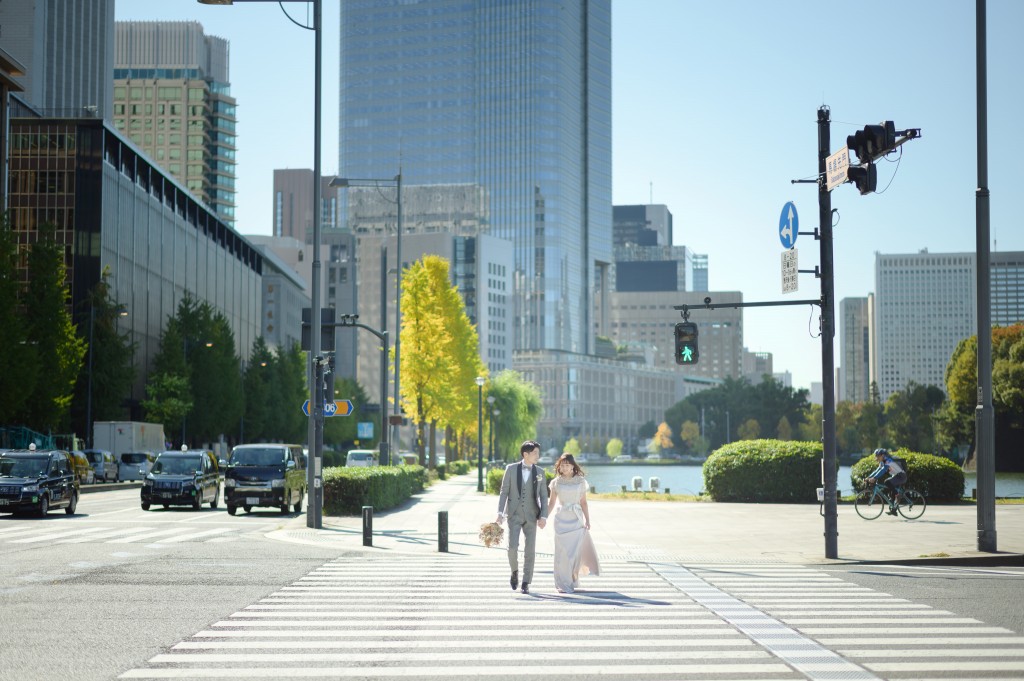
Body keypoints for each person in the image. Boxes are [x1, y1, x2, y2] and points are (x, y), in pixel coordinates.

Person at [496, 440, 548, 594]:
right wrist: (500, 513)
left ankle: (526, 581)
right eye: (535, 453)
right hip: (514, 514)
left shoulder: (540, 472)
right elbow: (504, 492)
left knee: (530, 550)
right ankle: (514, 572)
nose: (538, 456)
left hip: (532, 515)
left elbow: (544, 496)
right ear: (526, 454)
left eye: (538, 453)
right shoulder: (510, 469)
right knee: (512, 547)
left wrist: (544, 516)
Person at [546, 453, 600, 593]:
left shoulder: (580, 481)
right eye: (562, 465)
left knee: (574, 553)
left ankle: (572, 578)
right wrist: (543, 516)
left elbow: (584, 502)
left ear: (572, 466)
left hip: (576, 519)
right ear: (559, 467)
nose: (564, 467)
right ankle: (563, 583)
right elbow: (551, 502)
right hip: (561, 519)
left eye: (567, 465)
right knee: (562, 553)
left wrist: (588, 520)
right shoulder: (556, 482)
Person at [866, 448, 907, 516]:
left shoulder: (888, 460)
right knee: (891, 492)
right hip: (896, 476)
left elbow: (883, 470)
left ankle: (898, 496)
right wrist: (869, 477)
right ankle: (894, 510)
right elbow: (877, 470)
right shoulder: (883, 461)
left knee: (887, 482)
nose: (876, 458)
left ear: (882, 455)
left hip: (901, 476)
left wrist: (874, 478)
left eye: (877, 456)